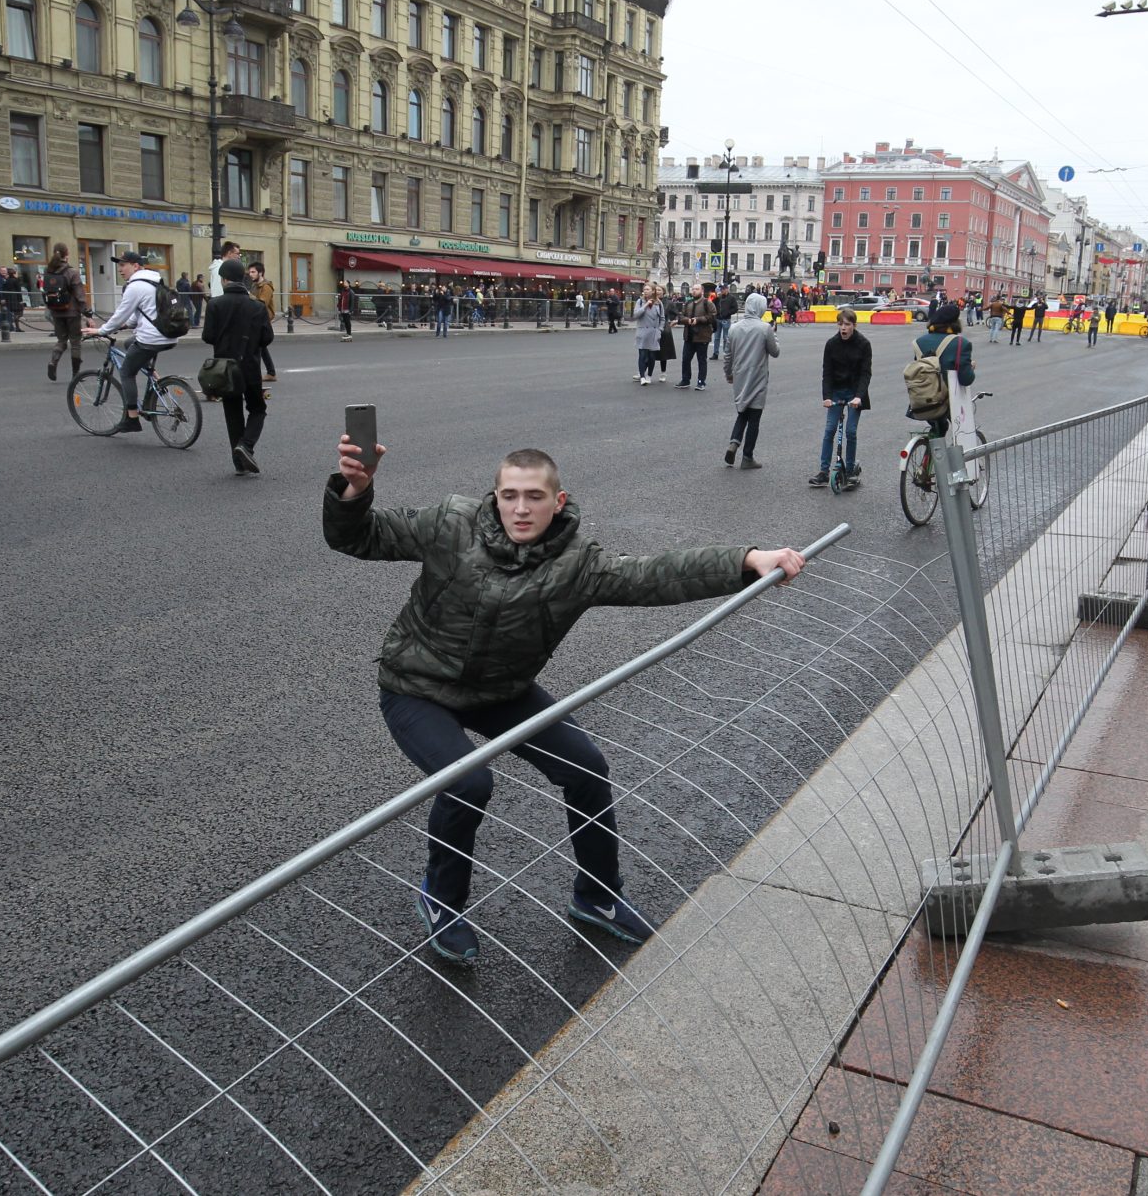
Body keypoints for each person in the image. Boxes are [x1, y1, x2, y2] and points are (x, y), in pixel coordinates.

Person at [324, 441, 806, 964]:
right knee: (467, 781)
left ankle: (597, 897)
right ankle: (442, 900)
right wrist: (356, 490)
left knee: (586, 767)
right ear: (495, 496)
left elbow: (657, 574)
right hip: (416, 688)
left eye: (534, 496)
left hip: (500, 691)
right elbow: (358, 537)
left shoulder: (577, 565)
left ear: (559, 502)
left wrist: (749, 558)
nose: (521, 508)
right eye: (510, 495)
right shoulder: (450, 523)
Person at [84, 250, 173, 433]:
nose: (120, 269)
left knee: (126, 372)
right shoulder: (154, 282)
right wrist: (125, 326)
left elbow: (120, 314)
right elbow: (139, 315)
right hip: (169, 335)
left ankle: (132, 419)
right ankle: (155, 377)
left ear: (136, 266)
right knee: (128, 343)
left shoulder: (135, 286)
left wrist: (101, 330)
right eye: (119, 265)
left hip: (151, 338)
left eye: (123, 265)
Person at [201, 257, 272, 475]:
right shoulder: (257, 307)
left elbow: (208, 336)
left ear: (223, 280)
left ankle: (239, 462)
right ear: (242, 279)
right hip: (249, 366)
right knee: (258, 409)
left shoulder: (215, 304)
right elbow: (267, 338)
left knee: (232, 413)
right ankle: (246, 445)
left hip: (224, 369)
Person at [811, 308, 872, 490]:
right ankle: (823, 471)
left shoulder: (863, 344)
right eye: (841, 324)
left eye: (847, 324)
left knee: (850, 432)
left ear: (854, 325)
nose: (843, 328)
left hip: (854, 392)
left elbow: (865, 374)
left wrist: (858, 397)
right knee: (830, 430)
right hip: (837, 392)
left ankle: (851, 470)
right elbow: (827, 373)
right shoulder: (831, 344)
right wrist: (827, 397)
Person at [723, 287, 780, 468]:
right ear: (761, 308)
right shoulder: (765, 329)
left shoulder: (734, 328)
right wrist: (774, 334)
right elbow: (775, 352)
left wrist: (728, 373)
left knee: (742, 412)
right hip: (758, 377)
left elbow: (727, 355)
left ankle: (734, 442)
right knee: (754, 417)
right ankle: (747, 457)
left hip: (740, 376)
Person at [909, 302, 976, 439]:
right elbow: (966, 379)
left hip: (922, 398)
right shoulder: (960, 343)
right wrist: (971, 367)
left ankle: (930, 457)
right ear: (955, 323)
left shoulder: (919, 341)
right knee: (964, 433)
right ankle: (958, 459)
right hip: (948, 400)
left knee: (938, 428)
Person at [42, 245, 90, 381]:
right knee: (75, 342)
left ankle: (53, 362)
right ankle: (76, 375)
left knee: (61, 340)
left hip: (56, 311)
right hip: (72, 312)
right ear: (66, 254)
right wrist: (86, 312)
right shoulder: (71, 272)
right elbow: (79, 294)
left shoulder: (48, 270)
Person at [676, 293, 713, 390]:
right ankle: (685, 380)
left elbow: (712, 317)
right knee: (685, 359)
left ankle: (701, 382)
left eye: (697, 289)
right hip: (689, 336)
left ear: (702, 291)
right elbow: (680, 316)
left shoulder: (707, 303)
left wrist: (698, 319)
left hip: (702, 336)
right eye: (693, 289)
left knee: (701, 360)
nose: (694, 291)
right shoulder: (688, 303)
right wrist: (687, 320)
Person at [248, 264, 279, 380]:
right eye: (250, 272)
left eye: (253, 272)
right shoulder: (255, 285)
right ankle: (271, 373)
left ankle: (261, 374)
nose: (250, 274)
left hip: (263, 320)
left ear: (260, 273)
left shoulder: (266, 287)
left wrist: (249, 296)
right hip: (256, 319)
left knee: (256, 348)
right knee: (260, 348)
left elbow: (261, 304)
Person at [632, 281, 666, 385]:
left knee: (652, 357)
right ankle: (642, 376)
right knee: (642, 355)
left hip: (654, 333)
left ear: (652, 291)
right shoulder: (640, 302)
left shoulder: (659, 303)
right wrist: (646, 305)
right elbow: (636, 315)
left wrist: (660, 330)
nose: (645, 291)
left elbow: (662, 318)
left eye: (648, 289)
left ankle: (649, 375)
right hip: (642, 332)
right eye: (644, 289)